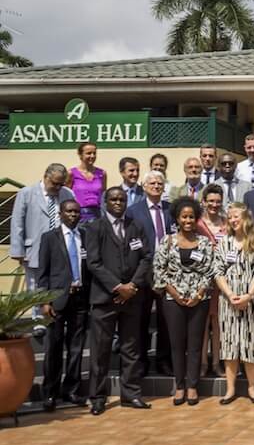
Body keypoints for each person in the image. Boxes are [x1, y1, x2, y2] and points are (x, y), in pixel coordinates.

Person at [85, 187, 153, 415]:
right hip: (105, 299)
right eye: (113, 199)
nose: (118, 203)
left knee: (131, 349)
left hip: (132, 298)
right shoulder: (95, 227)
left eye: (121, 199)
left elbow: (146, 257)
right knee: (100, 351)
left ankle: (131, 394)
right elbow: (93, 263)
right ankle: (97, 397)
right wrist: (117, 287)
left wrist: (132, 285)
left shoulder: (136, 225)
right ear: (105, 202)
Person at [154, 197, 215, 406]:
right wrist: (176, 294)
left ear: (196, 218)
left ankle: (192, 386)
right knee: (177, 344)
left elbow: (210, 271)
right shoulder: (167, 241)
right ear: (177, 219)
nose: (188, 220)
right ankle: (179, 386)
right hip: (173, 300)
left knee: (196, 345)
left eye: (191, 216)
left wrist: (198, 294)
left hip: (199, 299)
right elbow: (159, 271)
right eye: (184, 217)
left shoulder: (205, 242)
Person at [36, 200, 90, 410]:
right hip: (57, 299)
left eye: (77, 212)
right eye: (69, 212)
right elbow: (43, 273)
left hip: (80, 299)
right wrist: (45, 301)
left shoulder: (85, 236)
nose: (73, 215)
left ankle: (72, 391)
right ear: (60, 213)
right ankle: (50, 393)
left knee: (76, 348)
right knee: (54, 348)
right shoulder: (49, 238)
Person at [10, 163, 75, 327]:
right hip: (35, 247)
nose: (58, 187)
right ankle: (38, 319)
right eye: (55, 183)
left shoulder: (68, 193)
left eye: (61, 184)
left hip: (61, 247)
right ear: (46, 177)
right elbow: (17, 222)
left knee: (60, 281)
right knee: (35, 283)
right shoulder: (27, 193)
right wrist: (18, 249)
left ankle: (60, 315)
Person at [214, 202, 254, 404]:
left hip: (250, 301)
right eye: (230, 216)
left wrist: (249, 295)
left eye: (237, 216)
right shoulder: (223, 242)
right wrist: (229, 295)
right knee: (229, 345)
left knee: (250, 344)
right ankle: (230, 389)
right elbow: (218, 271)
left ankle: (252, 389)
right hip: (227, 301)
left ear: (246, 218)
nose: (233, 220)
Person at [127, 170, 174, 376]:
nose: (156, 186)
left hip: (167, 273)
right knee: (141, 320)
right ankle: (141, 361)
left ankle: (164, 361)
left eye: (159, 183)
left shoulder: (171, 209)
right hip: (143, 273)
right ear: (144, 187)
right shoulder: (133, 211)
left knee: (166, 320)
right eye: (152, 183)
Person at [198, 184, 226, 378]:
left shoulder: (227, 223)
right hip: (201, 279)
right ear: (204, 202)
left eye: (218, 201)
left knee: (218, 323)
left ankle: (216, 362)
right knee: (202, 323)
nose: (214, 205)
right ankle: (202, 362)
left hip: (222, 280)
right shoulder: (197, 223)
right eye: (211, 201)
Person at [66, 142, 105, 224]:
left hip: (97, 214)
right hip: (78, 215)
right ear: (80, 155)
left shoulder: (102, 173)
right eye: (88, 153)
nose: (92, 156)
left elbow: (103, 196)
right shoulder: (71, 173)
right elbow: (66, 195)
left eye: (94, 153)